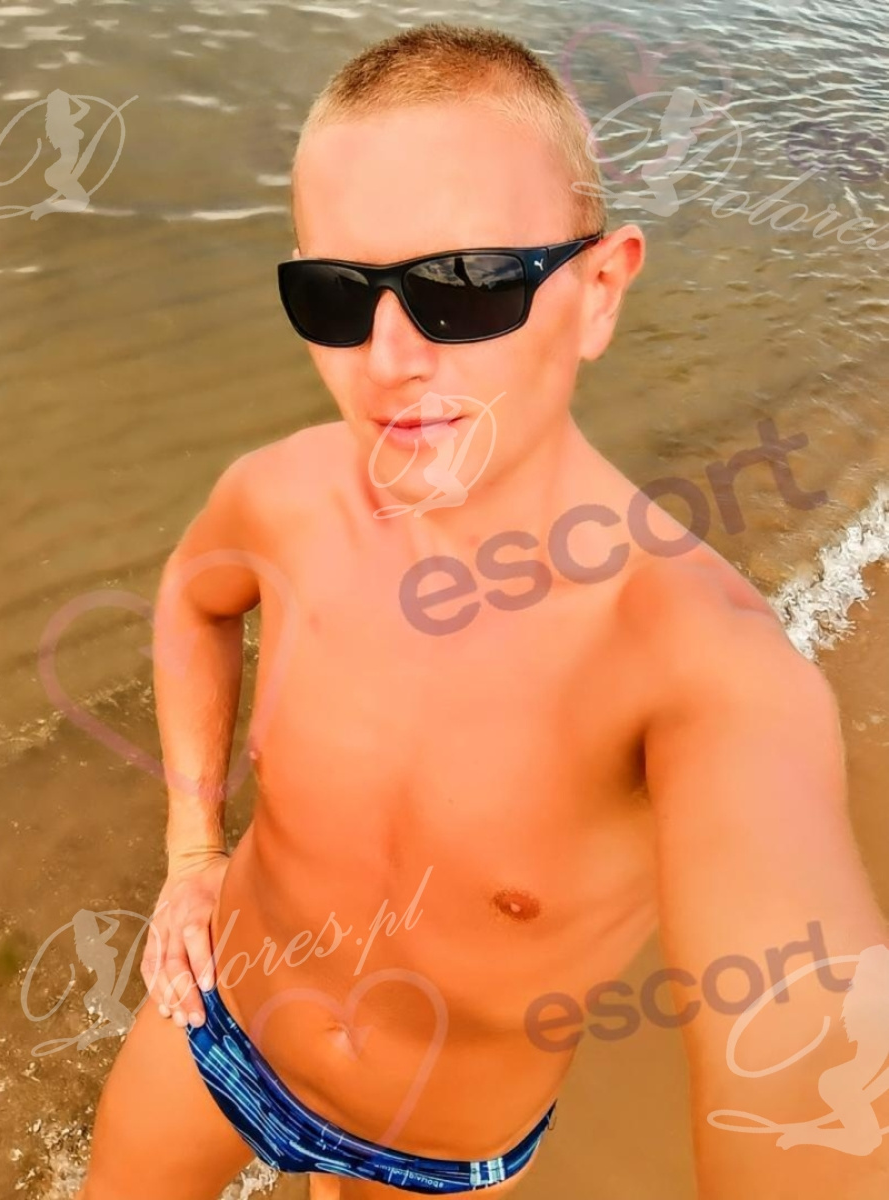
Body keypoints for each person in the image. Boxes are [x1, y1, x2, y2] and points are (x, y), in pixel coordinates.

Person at [76, 22, 889, 1200]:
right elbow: (192, 602)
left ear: (599, 290)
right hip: (214, 1025)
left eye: (463, 287)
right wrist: (192, 848)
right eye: (336, 296)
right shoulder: (282, 497)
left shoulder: (700, 667)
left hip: (431, 1153)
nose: (389, 358)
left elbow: (808, 1061)